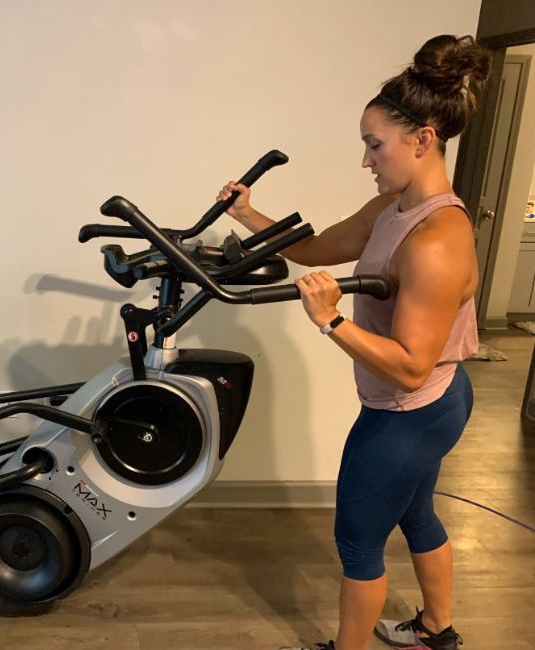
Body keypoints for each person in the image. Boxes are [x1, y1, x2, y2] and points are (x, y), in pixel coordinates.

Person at [217, 34, 492, 650]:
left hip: (410, 411)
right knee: (417, 514)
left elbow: (412, 369)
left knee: (358, 541)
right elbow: (314, 249)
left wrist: (332, 321)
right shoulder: (393, 206)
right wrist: (248, 215)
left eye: (374, 145)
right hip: (436, 401)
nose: (366, 161)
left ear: (422, 139)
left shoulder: (437, 240)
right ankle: (436, 632)